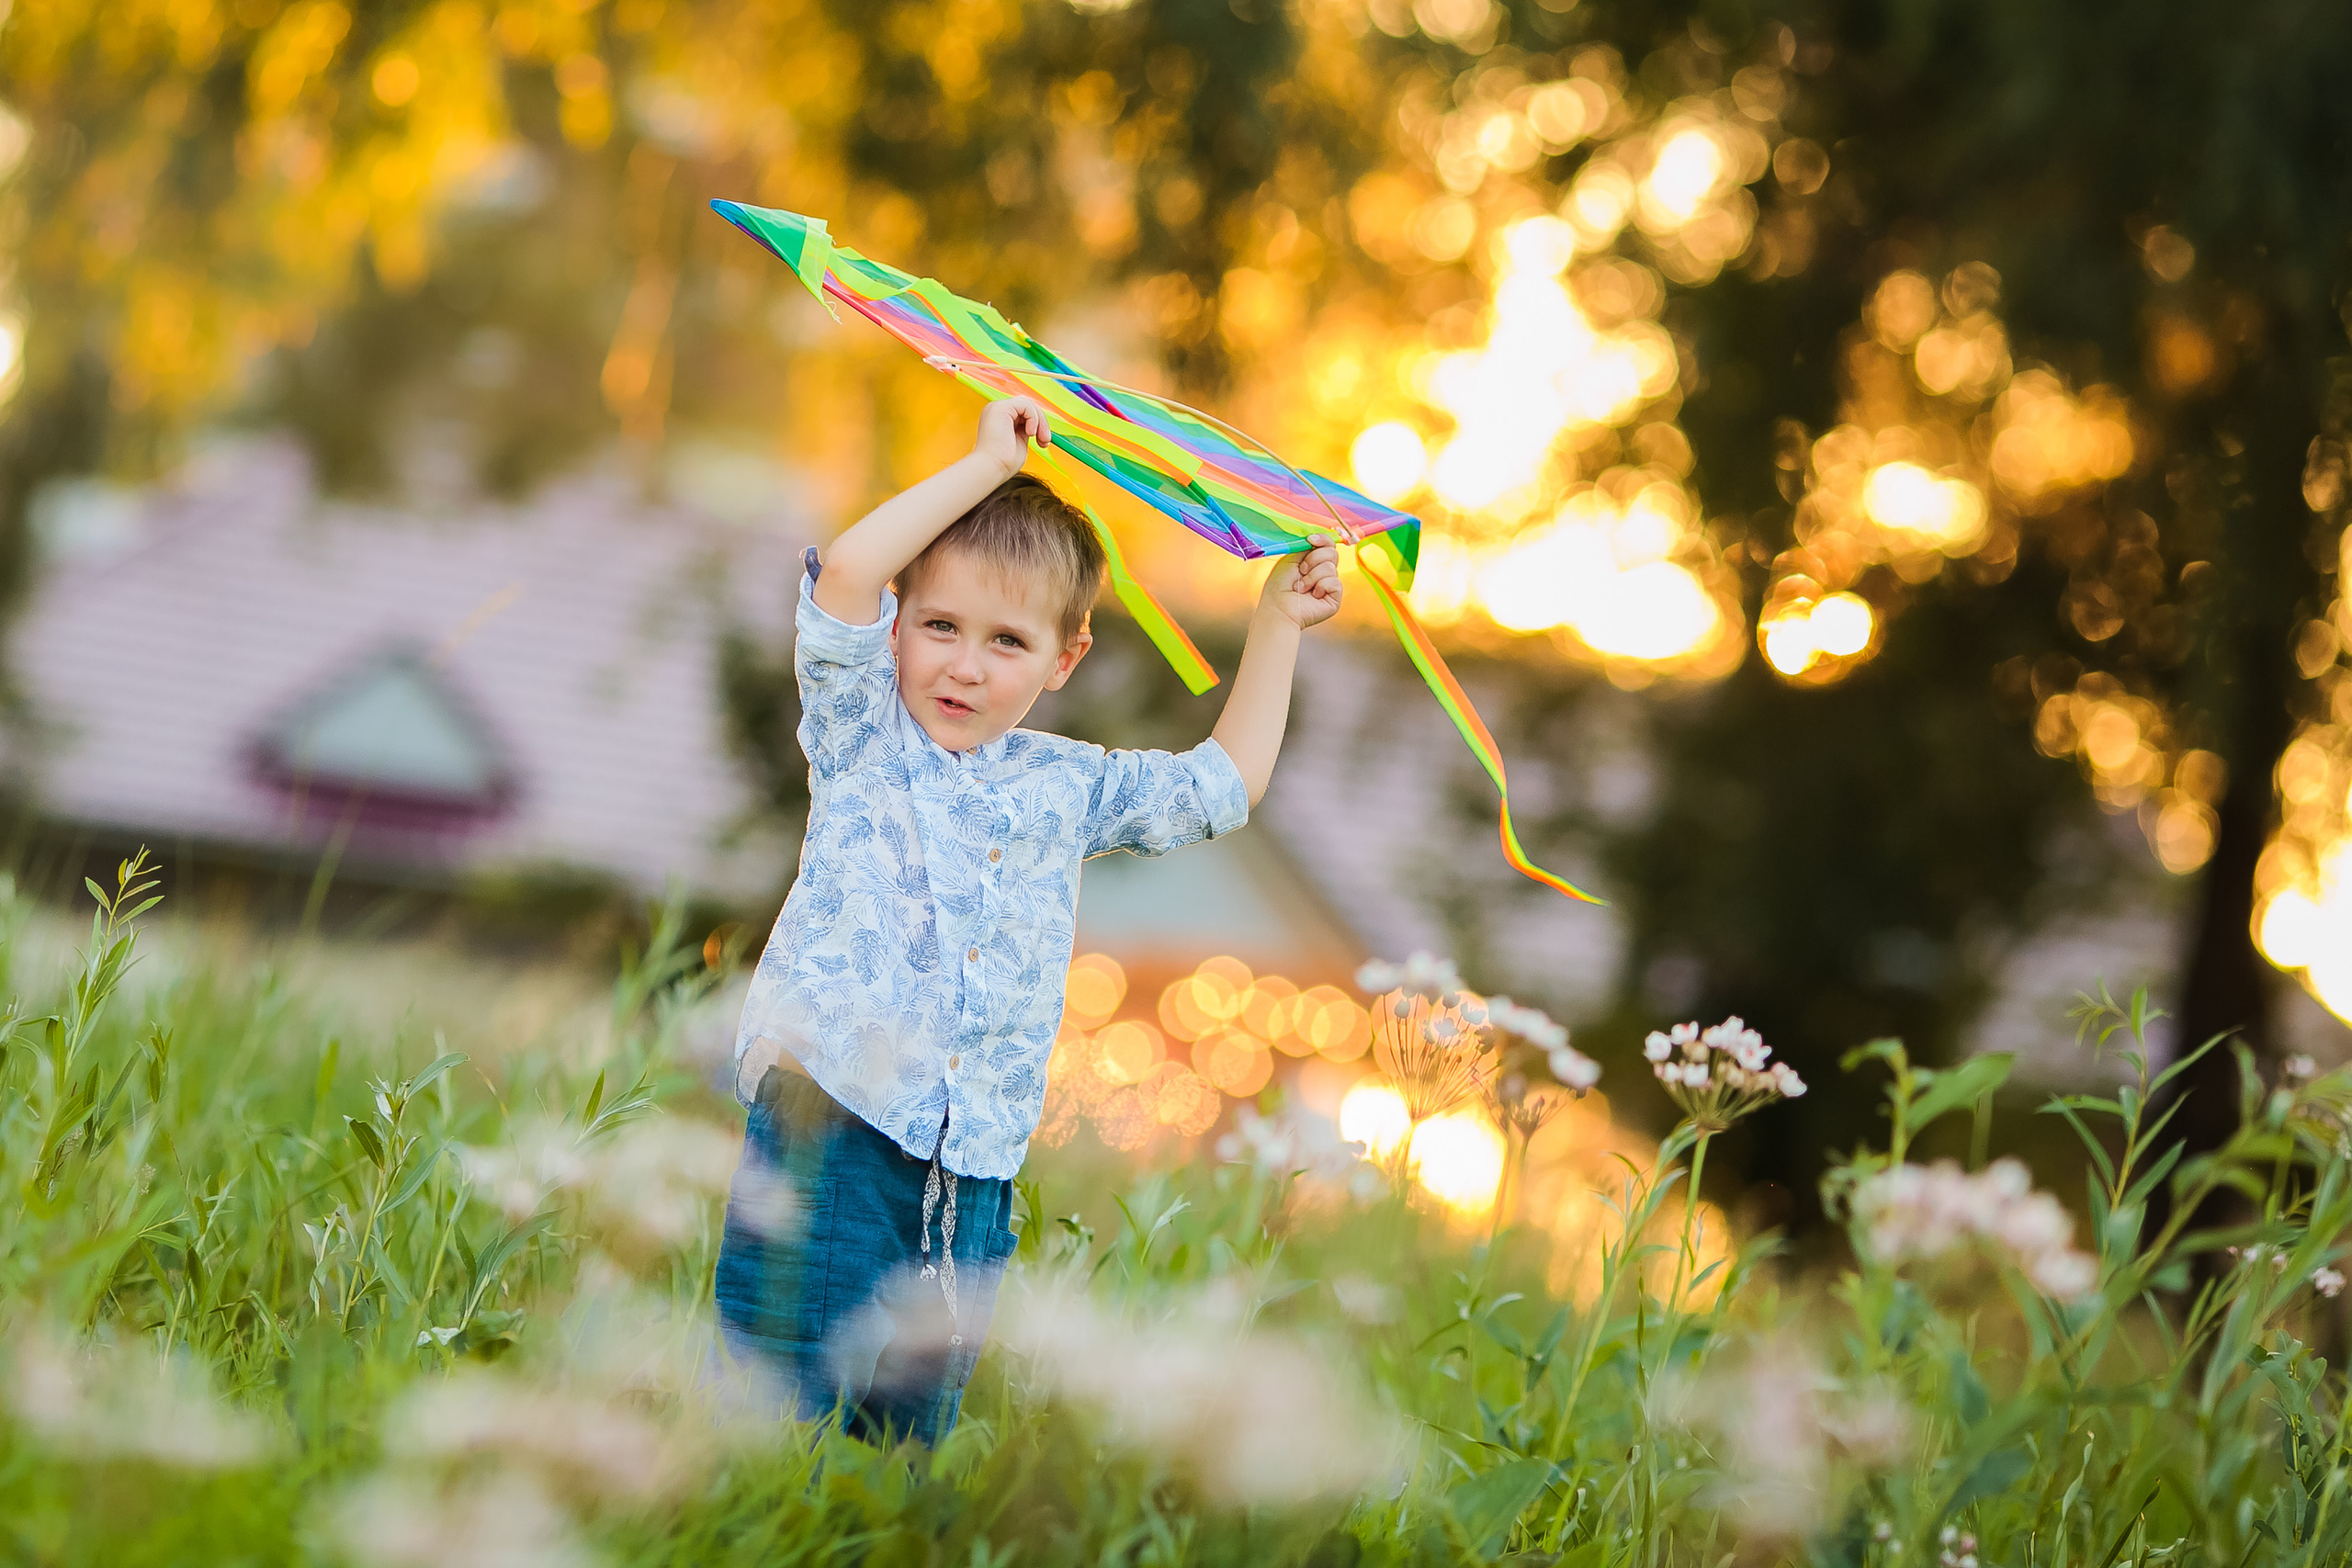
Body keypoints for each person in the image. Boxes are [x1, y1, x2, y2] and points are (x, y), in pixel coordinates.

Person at [711, 394, 1342, 1445]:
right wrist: (980, 467)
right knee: (782, 1408)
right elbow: (852, 578)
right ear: (900, 629)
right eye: (940, 626)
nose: (963, 664)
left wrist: (1278, 621)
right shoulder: (864, 734)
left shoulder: (1066, 784)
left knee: (904, 1438)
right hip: (833, 1118)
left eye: (1006, 641)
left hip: (972, 1169)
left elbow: (1221, 786)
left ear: (1064, 659)